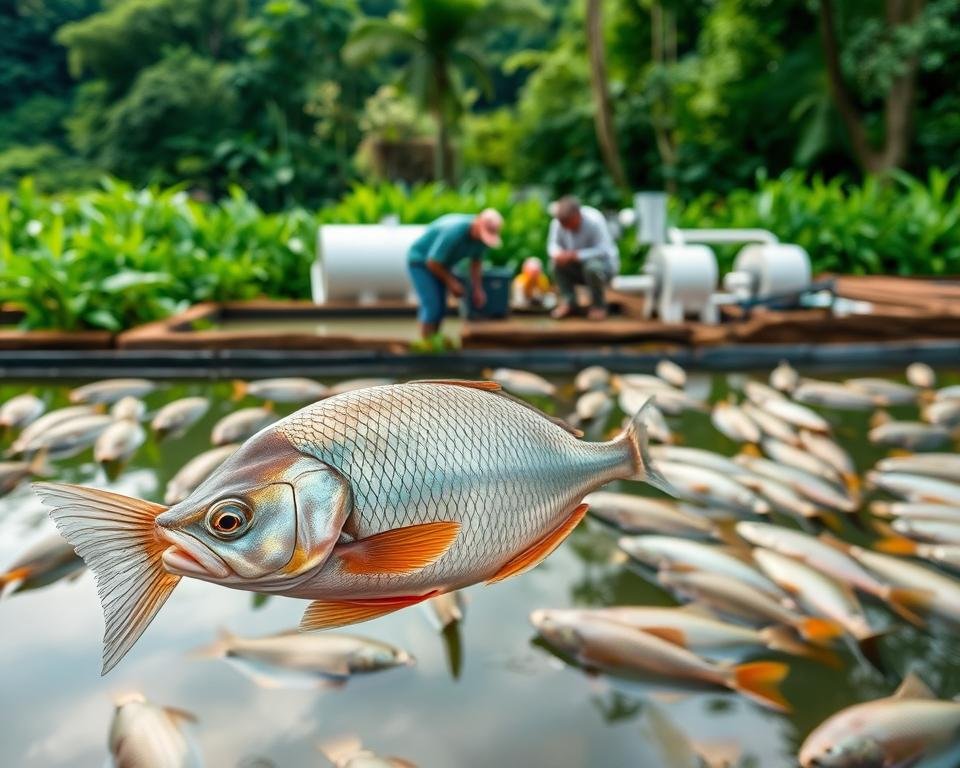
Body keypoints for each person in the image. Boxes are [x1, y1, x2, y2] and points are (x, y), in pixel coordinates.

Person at [407, 209, 503, 339]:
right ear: (478, 222)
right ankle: (426, 346)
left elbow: (476, 263)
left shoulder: (481, 240)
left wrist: (478, 289)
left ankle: (435, 340)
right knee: (432, 306)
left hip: (442, 264)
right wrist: (451, 282)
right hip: (421, 262)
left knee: (441, 308)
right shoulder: (454, 231)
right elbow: (432, 262)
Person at [547, 196, 618, 320]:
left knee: (592, 267)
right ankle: (569, 303)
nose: (566, 228)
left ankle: (599, 306)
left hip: (603, 268)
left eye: (569, 223)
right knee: (555, 264)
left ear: (578, 214)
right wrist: (558, 254)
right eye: (563, 224)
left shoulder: (594, 220)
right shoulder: (558, 223)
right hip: (577, 269)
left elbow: (604, 250)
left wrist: (576, 255)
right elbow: (552, 245)